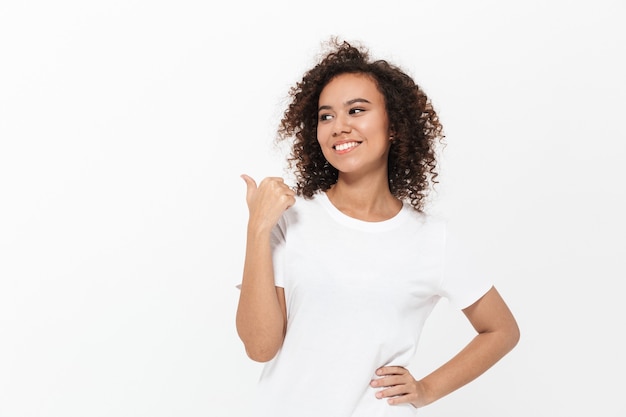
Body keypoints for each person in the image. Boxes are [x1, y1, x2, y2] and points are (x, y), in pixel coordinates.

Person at [236, 37, 520, 416]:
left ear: (394, 127)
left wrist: (426, 390)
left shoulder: (431, 239)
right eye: (326, 115)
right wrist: (258, 228)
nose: (339, 126)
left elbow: (501, 330)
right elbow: (260, 348)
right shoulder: (291, 220)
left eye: (357, 110)